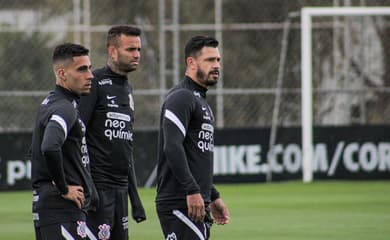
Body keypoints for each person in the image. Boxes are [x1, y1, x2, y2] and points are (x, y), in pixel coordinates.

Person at [156, 35, 230, 240]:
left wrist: (212, 195)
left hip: (196, 199)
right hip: (180, 200)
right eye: (210, 60)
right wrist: (191, 191)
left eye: (218, 60)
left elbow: (194, 156)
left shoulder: (201, 101)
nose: (216, 65)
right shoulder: (182, 97)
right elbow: (172, 146)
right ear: (191, 62)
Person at [79, 25, 146, 239]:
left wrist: (134, 199)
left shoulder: (127, 88)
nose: (136, 55)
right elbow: (77, 135)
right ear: (112, 51)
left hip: (120, 192)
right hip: (98, 189)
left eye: (138, 49)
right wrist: (88, 186)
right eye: (130, 49)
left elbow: (125, 147)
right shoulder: (95, 82)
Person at [31, 43, 99, 239]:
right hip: (61, 210)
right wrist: (63, 188)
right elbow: (50, 147)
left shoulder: (53, 103)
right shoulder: (64, 108)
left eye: (90, 68)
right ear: (62, 74)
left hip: (54, 210)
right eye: (82, 69)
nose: (90, 75)